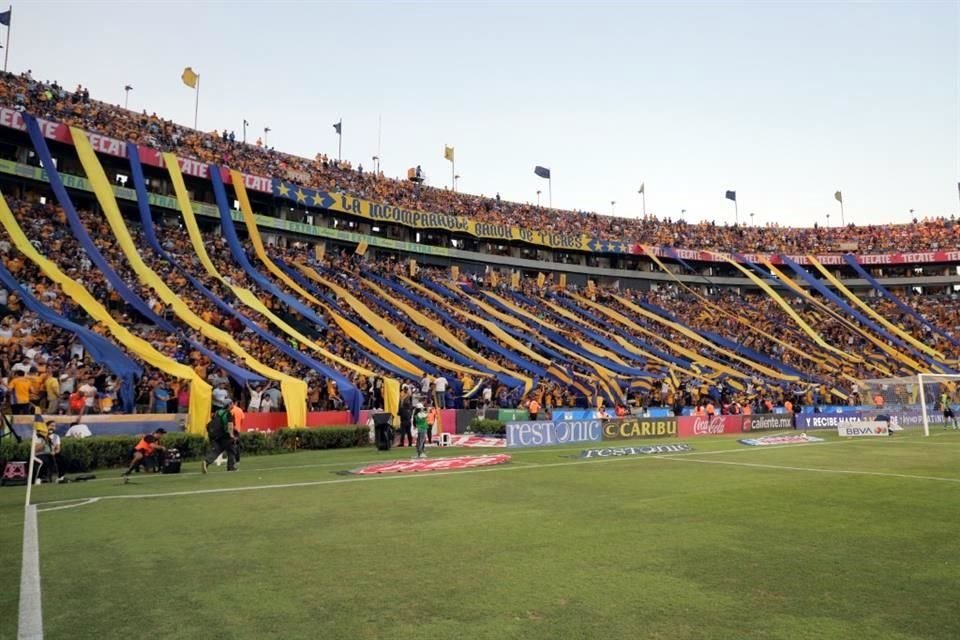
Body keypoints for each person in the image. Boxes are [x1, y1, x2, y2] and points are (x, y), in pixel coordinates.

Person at [202, 401, 237, 473]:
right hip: (224, 435)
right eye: (232, 404)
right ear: (229, 405)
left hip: (215, 435)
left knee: (217, 451)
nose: (233, 405)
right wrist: (231, 435)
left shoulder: (217, 412)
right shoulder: (228, 413)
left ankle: (207, 461)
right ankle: (231, 467)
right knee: (231, 450)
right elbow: (230, 425)